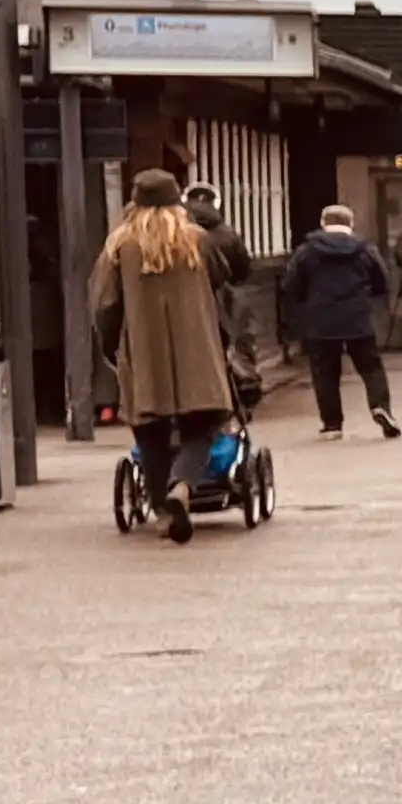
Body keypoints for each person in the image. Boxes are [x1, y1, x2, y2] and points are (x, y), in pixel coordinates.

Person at [89, 164, 240, 544]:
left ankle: (160, 512)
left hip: (143, 355)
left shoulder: (119, 246)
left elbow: (105, 305)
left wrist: (112, 348)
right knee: (201, 427)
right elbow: (222, 280)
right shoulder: (197, 240)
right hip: (198, 352)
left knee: (150, 434)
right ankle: (183, 487)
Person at [283, 200, 402, 440]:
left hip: (320, 317)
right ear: (351, 223)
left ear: (323, 223)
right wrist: (370, 294)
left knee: (325, 372)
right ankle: (380, 406)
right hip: (356, 315)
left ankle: (332, 424)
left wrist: (305, 301)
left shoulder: (307, 250)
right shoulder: (364, 248)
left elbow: (291, 283)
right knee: (370, 367)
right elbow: (382, 278)